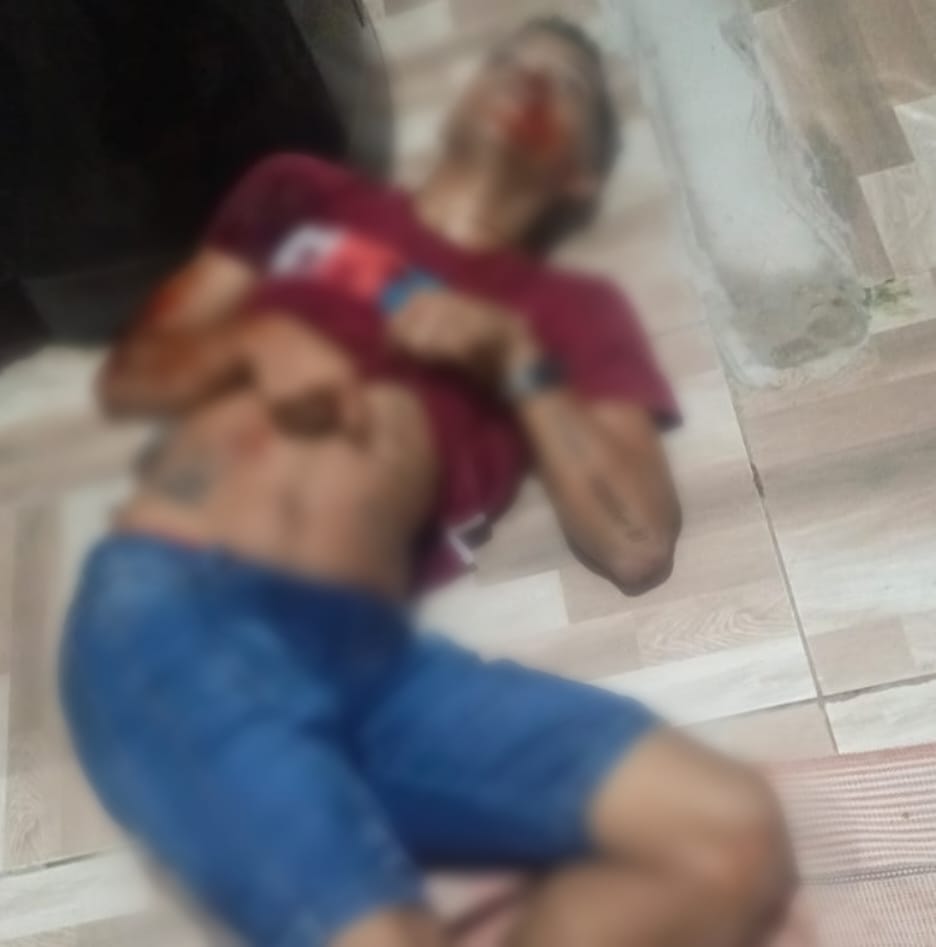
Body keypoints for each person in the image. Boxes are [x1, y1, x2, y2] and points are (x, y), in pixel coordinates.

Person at [59, 16, 797, 947]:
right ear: (462, 105)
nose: (530, 80)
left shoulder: (571, 318)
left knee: (728, 837)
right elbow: (135, 372)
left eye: (566, 85)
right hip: (183, 598)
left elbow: (636, 544)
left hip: (379, 669)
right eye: (513, 62)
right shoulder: (302, 196)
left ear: (577, 174)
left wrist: (521, 364)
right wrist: (254, 343)